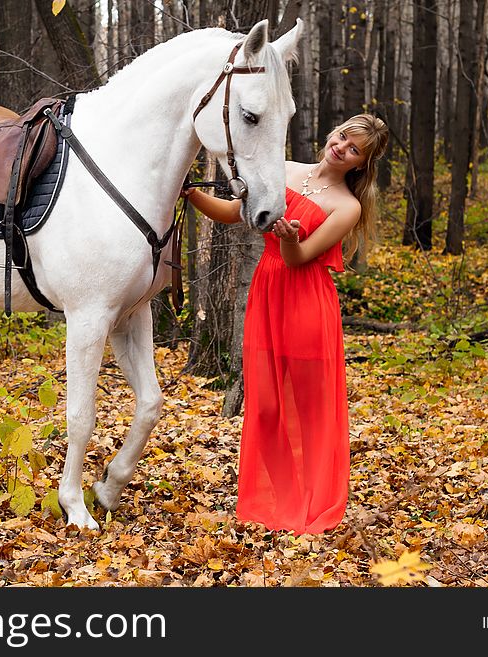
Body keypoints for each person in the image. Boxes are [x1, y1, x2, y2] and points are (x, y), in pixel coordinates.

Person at [182, 114, 389, 534]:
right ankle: (276, 502)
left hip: (307, 305)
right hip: (267, 293)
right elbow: (232, 212)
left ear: (360, 165)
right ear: (334, 132)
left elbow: (298, 259)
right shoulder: (285, 169)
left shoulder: (346, 207)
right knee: (266, 403)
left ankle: (310, 505)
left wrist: (291, 239)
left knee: (308, 409)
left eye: (354, 150)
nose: (342, 147)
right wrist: (187, 193)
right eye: (344, 136)